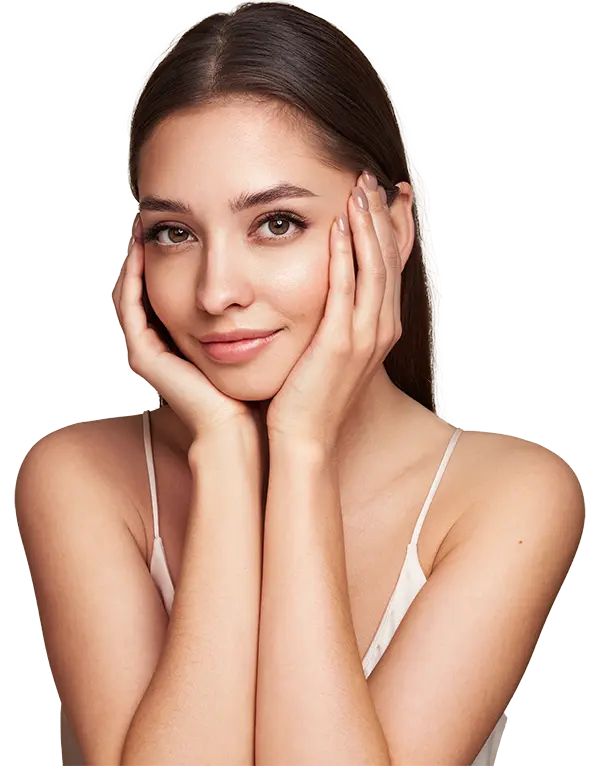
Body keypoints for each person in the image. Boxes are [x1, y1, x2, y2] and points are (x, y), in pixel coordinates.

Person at [15, 3, 585, 765]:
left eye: (276, 223)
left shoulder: (508, 498)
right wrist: (223, 457)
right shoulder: (82, 477)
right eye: (174, 233)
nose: (216, 291)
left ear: (391, 226)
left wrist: (303, 446)